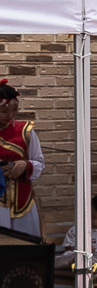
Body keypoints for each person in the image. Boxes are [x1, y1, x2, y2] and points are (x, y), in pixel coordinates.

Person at [0, 80, 46, 239]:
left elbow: (39, 163)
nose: (11, 116)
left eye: (15, 110)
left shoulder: (25, 132)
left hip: (22, 201)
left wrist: (25, 164)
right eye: (4, 111)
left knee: (24, 249)